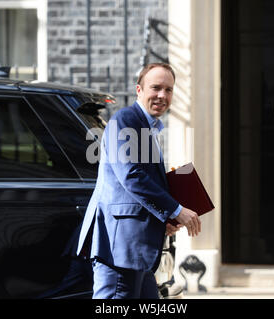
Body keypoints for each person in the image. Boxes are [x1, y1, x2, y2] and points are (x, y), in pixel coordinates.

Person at [76, 63, 201, 299]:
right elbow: (131, 176)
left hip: (136, 250)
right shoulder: (126, 120)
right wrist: (176, 209)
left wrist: (165, 217)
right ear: (139, 90)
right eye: (156, 88)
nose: (162, 95)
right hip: (121, 248)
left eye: (169, 90)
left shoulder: (146, 128)